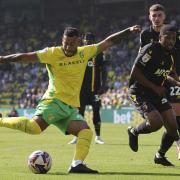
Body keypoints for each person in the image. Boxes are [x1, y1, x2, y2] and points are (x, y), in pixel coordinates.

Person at [0, 25, 141, 173]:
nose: (67, 47)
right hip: (53, 101)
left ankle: (76, 164)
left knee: (85, 132)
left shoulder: (85, 52)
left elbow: (109, 41)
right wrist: (3, 59)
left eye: (71, 44)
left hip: (69, 107)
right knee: (34, 128)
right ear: (62, 40)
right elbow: (24, 57)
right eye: (65, 43)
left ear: (79, 42)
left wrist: (128, 31)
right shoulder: (52, 53)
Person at [128, 3, 180, 161]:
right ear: (160, 37)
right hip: (140, 91)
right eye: (167, 38)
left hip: (157, 91)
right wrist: (155, 87)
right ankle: (134, 131)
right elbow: (135, 72)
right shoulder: (150, 48)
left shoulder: (171, 55)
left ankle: (160, 155)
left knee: (173, 127)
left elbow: (169, 74)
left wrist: (177, 83)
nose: (171, 41)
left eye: (173, 39)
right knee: (156, 123)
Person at [68, 32, 108, 145]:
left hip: (95, 90)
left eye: (90, 39)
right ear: (83, 41)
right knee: (79, 113)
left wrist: (104, 85)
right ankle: (77, 136)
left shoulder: (99, 53)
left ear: (94, 41)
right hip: (81, 91)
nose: (87, 41)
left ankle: (98, 137)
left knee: (96, 113)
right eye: (86, 39)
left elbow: (104, 70)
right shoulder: (78, 53)